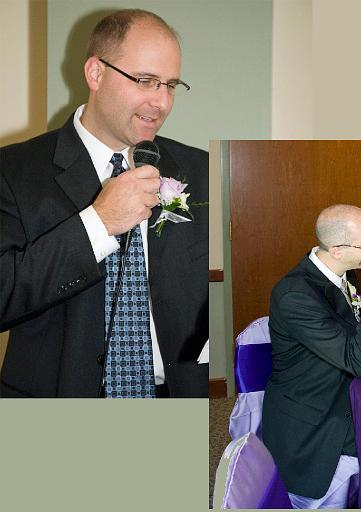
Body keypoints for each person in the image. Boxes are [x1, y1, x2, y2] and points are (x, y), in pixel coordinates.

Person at [0, 9, 208, 398]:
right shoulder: (13, 171)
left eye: (171, 85)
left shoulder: (199, 169)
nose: (161, 102)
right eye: (145, 81)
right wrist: (99, 224)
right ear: (95, 73)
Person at [262, 204, 361, 508]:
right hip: (313, 423)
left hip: (342, 396)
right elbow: (359, 360)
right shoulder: (295, 295)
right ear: (338, 250)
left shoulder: (346, 275)